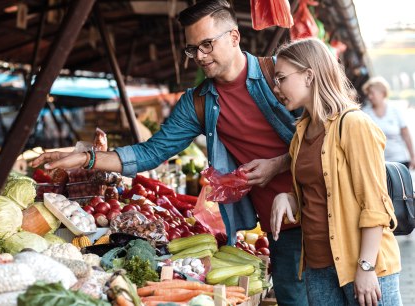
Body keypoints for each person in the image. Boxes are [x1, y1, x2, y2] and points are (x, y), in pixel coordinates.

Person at [31, 1, 308, 304]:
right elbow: (152, 152)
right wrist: (87, 158)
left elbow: (332, 135)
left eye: (207, 44)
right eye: (192, 49)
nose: (199, 57)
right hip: (280, 227)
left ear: (234, 37)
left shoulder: (279, 75)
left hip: (324, 211)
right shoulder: (199, 103)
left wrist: (279, 164)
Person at [269, 37, 402, 306]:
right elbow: (315, 193)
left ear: (309, 75)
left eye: (281, 78)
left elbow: (375, 203)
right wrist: (287, 198)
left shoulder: (354, 125)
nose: (275, 88)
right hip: (318, 269)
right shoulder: (301, 133)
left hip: (360, 265)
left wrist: (366, 267)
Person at [362, 76, 415, 169]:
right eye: (368, 94)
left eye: (372, 93)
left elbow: (406, 134)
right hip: (379, 163)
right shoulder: (366, 113)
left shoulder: (395, 110)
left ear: (382, 93)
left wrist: (413, 156)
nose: (369, 97)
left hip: (401, 161)